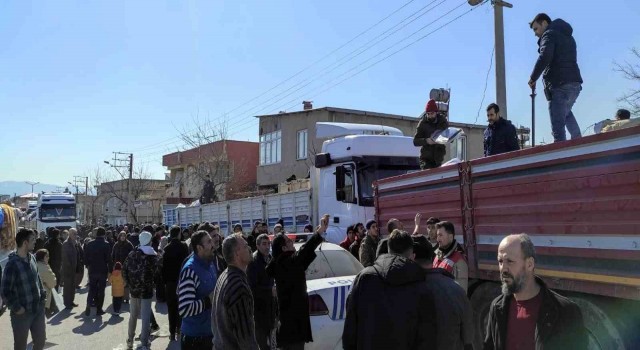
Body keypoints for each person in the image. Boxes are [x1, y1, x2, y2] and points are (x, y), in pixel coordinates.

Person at [484, 234, 587, 350]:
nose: (503, 268)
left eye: (510, 261)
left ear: (529, 264)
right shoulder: (497, 307)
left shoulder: (565, 311)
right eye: (500, 261)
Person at [342, 229, 437, 350]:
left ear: (388, 249)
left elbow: (350, 328)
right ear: (412, 254)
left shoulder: (364, 278)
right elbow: (427, 335)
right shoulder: (421, 284)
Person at [266, 214, 328, 350]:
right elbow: (304, 251)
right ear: (283, 249)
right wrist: (319, 232)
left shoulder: (285, 263)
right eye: (289, 241)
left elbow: (304, 256)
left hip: (293, 326)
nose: (292, 243)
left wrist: (318, 233)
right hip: (292, 327)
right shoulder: (286, 263)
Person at [528, 13, 583, 142]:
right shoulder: (567, 36)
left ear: (545, 23)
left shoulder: (549, 34)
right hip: (574, 83)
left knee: (558, 127)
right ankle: (579, 141)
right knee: (566, 113)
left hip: (559, 84)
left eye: (536, 28)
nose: (535, 33)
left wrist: (533, 78)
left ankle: (561, 155)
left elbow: (545, 56)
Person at [414, 237, 474, 350]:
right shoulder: (456, 289)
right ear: (432, 258)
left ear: (412, 257)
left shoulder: (404, 290)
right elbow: (467, 338)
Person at [1, 228, 47, 350]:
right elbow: (5, 291)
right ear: (25, 243)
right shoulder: (12, 264)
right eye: (32, 239)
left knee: (40, 342)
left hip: (37, 309)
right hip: (22, 314)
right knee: (20, 346)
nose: (35, 242)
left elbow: (38, 278)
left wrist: (42, 296)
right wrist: (17, 308)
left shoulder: (32, 257)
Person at [212, 234, 260, 350]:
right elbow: (245, 338)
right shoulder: (238, 286)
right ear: (237, 253)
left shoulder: (225, 275)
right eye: (245, 246)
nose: (249, 248)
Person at [178, 230, 218, 350]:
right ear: (199, 248)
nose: (213, 244)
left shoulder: (210, 264)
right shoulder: (190, 270)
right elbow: (184, 309)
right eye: (209, 242)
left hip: (211, 334)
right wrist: (208, 300)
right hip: (195, 340)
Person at [123, 230, 158, 350]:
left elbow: (124, 270)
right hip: (146, 291)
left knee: (133, 316)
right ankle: (144, 343)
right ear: (149, 241)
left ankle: (130, 340)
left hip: (134, 291)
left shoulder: (132, 253)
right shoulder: (152, 256)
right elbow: (157, 273)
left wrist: (129, 284)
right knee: (145, 317)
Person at [247, 234, 277, 350]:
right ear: (257, 246)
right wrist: (269, 290)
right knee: (262, 343)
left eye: (268, 243)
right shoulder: (254, 262)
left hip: (270, 309)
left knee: (271, 344)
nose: (267, 246)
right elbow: (252, 287)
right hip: (259, 311)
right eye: (264, 244)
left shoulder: (270, 258)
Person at [161, 225, 190, 341]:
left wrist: (165, 282)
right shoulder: (183, 246)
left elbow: (163, 268)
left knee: (171, 308)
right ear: (178, 234)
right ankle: (180, 329)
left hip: (170, 283)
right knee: (181, 307)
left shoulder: (166, 248)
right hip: (182, 281)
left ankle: (172, 332)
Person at [83, 226, 112, 316]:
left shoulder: (90, 244)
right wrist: (110, 270)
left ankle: (88, 304)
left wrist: (88, 265)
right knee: (101, 290)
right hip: (102, 270)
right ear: (103, 234)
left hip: (92, 269)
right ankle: (99, 309)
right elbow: (109, 259)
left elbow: (85, 257)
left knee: (92, 288)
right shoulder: (106, 244)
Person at [413, 99, 449, 169]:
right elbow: (415, 141)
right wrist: (427, 141)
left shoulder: (442, 121)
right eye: (428, 113)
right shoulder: (423, 123)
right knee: (428, 176)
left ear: (436, 112)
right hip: (426, 159)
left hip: (438, 158)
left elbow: (447, 134)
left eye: (432, 113)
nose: (430, 115)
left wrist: (446, 138)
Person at [433, 221, 468, 292]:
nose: (437, 239)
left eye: (441, 235)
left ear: (450, 236)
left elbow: (460, 293)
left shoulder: (459, 260)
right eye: (437, 235)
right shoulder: (438, 255)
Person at [112, 231, 134, 303]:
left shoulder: (129, 244)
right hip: (117, 266)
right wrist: (113, 264)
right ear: (119, 236)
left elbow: (132, 254)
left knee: (126, 282)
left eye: (124, 236)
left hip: (126, 266)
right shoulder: (116, 244)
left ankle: (126, 297)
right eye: (121, 236)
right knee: (118, 282)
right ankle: (119, 297)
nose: (122, 237)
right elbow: (113, 255)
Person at [35, 249, 58, 317]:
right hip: (44, 297)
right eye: (46, 256)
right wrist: (54, 277)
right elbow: (52, 283)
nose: (48, 258)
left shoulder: (36, 264)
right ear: (42, 257)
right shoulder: (44, 268)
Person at [61, 227, 79, 309]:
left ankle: (71, 301)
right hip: (68, 269)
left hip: (73, 268)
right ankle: (67, 303)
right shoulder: (66, 243)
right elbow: (65, 258)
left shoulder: (74, 242)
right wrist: (69, 268)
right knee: (67, 287)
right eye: (74, 234)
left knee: (72, 286)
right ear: (70, 234)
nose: (76, 235)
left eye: (76, 234)